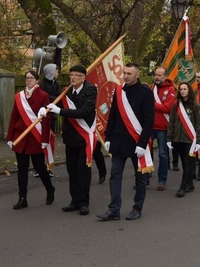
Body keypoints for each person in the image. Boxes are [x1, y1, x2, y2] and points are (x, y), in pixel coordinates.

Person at [97, 63, 154, 221]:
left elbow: (149, 121)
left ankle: (137, 208)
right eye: (124, 73)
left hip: (136, 143)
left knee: (139, 177)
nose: (126, 76)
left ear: (137, 74)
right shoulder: (119, 91)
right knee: (115, 175)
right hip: (118, 141)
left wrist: (142, 143)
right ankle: (114, 209)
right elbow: (113, 114)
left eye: (129, 73)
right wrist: (108, 137)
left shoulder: (145, 93)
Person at [47, 65, 97, 216]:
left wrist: (60, 111)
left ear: (83, 77)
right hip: (70, 138)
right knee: (72, 170)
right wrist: (45, 102)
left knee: (83, 171)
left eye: (76, 75)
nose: (73, 78)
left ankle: (84, 202)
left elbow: (84, 111)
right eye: (71, 75)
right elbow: (58, 101)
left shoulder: (90, 90)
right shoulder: (68, 90)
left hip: (83, 137)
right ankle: (74, 201)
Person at [6, 70, 54, 210]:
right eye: (27, 78)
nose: (29, 80)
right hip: (20, 137)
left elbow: (46, 120)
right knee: (22, 169)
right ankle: (22, 198)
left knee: (39, 167)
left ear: (37, 80)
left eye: (31, 78)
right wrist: (10, 136)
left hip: (35, 137)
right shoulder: (19, 97)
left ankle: (50, 188)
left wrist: (45, 139)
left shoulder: (43, 96)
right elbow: (13, 117)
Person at [166, 83, 200, 197]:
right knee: (184, 162)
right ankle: (190, 184)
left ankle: (182, 187)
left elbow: (198, 124)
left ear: (189, 91)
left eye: (184, 89)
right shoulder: (176, 104)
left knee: (187, 163)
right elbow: (171, 122)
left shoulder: (195, 105)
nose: (182, 91)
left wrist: (199, 142)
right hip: (178, 138)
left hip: (189, 139)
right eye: (181, 89)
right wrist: (169, 138)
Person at [150, 66, 176, 190]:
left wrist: (151, 103)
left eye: (160, 75)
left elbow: (167, 108)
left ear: (165, 76)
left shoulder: (171, 89)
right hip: (149, 126)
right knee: (144, 152)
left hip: (163, 127)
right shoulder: (151, 88)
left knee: (163, 154)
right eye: (156, 74)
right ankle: (144, 178)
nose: (157, 77)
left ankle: (162, 180)